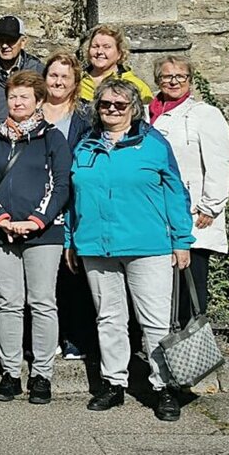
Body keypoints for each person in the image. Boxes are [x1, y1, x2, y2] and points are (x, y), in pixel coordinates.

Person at [66, 79, 194, 422]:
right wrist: (70, 239)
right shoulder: (85, 145)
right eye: (105, 104)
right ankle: (113, 383)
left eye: (119, 105)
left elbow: (175, 191)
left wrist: (182, 240)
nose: (111, 110)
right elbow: (73, 197)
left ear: (133, 108)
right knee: (109, 318)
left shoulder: (153, 143)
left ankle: (165, 387)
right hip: (96, 244)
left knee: (154, 321)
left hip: (147, 244)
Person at [0, 72, 72, 404]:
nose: (17, 103)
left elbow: (62, 184)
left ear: (39, 101)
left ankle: (41, 375)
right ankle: (11, 373)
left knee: (42, 302)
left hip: (44, 233)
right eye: (13, 97)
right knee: (8, 302)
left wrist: (36, 220)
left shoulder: (52, 139)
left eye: (25, 97)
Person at [149, 55, 229, 326]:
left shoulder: (205, 114)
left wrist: (211, 205)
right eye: (166, 76)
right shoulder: (149, 113)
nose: (173, 81)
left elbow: (218, 162)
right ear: (157, 80)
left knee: (190, 286)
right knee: (160, 289)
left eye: (179, 76)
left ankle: (192, 352)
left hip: (194, 212)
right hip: (157, 213)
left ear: (189, 80)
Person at [42, 51, 94, 360]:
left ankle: (75, 336)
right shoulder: (31, 110)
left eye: (65, 77)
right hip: (37, 203)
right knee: (41, 277)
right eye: (53, 75)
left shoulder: (85, 116)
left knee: (72, 270)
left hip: (72, 201)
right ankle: (43, 338)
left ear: (75, 83)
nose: (58, 81)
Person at [0, 15, 45, 124]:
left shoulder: (37, 70)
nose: (5, 45)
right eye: (0, 40)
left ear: (23, 41)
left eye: (11, 40)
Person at [78, 24, 154, 104]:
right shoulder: (75, 82)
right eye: (95, 46)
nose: (99, 51)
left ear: (120, 53)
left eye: (106, 47)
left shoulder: (136, 86)